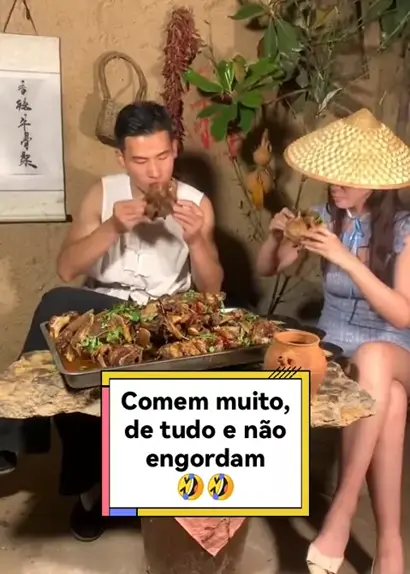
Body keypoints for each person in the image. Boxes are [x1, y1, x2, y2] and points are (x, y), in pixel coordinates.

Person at [0, 101, 223, 541]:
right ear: (121, 158)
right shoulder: (102, 194)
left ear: (175, 149)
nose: (154, 172)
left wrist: (197, 240)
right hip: (101, 310)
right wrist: (111, 228)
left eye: (162, 156)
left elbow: (213, 290)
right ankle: (56, 471)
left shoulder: (197, 203)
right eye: (140, 160)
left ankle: (147, 493)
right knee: (56, 302)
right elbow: (67, 268)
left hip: (162, 318)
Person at [257, 109, 410, 574]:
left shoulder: (405, 229)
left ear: (374, 184)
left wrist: (347, 260)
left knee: (377, 358)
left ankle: (342, 509)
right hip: (340, 354)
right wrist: (276, 237)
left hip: (396, 350)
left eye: (347, 179)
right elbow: (270, 267)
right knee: (392, 402)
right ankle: (391, 548)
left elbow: (404, 314)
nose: (335, 186)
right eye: (332, 176)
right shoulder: (324, 218)